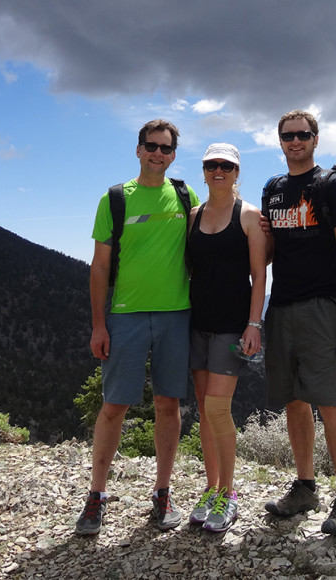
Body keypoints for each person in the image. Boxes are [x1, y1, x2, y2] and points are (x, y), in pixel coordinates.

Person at [75, 119, 199, 535]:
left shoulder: (185, 195)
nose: (157, 153)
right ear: (138, 149)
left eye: (165, 148)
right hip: (125, 316)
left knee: (168, 405)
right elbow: (100, 265)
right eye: (151, 146)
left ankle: (163, 493)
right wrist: (98, 324)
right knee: (114, 406)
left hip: (177, 314)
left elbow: (216, 230)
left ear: (173, 155)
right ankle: (96, 496)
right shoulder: (114, 199)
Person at [260, 110, 336, 538]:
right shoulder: (274, 190)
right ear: (279, 140)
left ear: (316, 139)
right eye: (288, 135)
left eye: (303, 134)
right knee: (293, 400)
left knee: (330, 402)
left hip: (324, 307)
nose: (295, 141)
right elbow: (269, 253)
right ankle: (304, 487)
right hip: (281, 306)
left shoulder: (333, 187)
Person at [186, 143, 268, 533]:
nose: (218, 170)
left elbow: (259, 274)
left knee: (218, 409)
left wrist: (255, 323)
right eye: (211, 164)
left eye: (226, 165)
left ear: (237, 172)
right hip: (196, 324)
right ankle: (211, 487)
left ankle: (229, 493)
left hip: (232, 326)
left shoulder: (249, 216)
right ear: (203, 171)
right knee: (204, 410)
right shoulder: (193, 216)